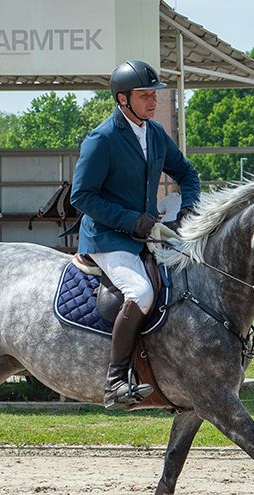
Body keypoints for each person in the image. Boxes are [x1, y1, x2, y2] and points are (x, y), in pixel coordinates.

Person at [70, 59, 200, 408]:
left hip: (147, 233)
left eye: (154, 94)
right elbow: (81, 197)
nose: (154, 101)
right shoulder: (102, 139)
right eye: (145, 96)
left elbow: (187, 174)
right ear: (122, 100)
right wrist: (134, 222)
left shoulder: (155, 133)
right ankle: (115, 381)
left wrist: (187, 209)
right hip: (107, 238)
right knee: (141, 291)